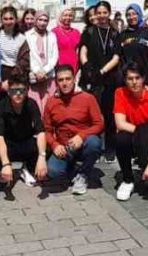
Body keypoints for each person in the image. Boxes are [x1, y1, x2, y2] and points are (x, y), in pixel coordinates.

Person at [42, 64, 103, 194]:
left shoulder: (87, 98)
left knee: (94, 143)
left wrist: (82, 135)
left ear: (74, 79)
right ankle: (72, 170)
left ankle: (83, 175)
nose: (65, 83)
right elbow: (46, 130)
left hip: (83, 143)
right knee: (53, 171)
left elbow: (99, 124)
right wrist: (54, 145)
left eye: (68, 79)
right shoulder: (51, 102)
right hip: (64, 147)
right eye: (61, 80)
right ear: (56, 82)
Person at [111, 64, 148, 201]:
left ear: (143, 79)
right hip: (134, 135)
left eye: (137, 78)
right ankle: (128, 180)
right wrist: (140, 132)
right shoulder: (120, 93)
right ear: (125, 80)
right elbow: (120, 123)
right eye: (130, 78)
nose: (134, 82)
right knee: (120, 138)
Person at [0, 75, 47, 194]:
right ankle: (5, 172)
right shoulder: (0, 106)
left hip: (26, 143)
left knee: (46, 147)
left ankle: (28, 169)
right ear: (9, 92)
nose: (18, 94)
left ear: (27, 91)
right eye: (14, 90)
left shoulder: (31, 104)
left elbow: (40, 131)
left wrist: (42, 157)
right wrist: (5, 163)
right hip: (8, 145)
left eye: (22, 90)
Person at [79, 1, 119, 158]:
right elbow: (83, 52)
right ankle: (92, 148)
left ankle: (110, 148)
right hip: (93, 79)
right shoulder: (89, 32)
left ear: (109, 13)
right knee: (92, 115)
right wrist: (88, 68)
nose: (101, 16)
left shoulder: (115, 33)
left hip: (109, 79)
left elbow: (116, 57)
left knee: (109, 115)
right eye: (99, 13)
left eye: (104, 12)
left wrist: (103, 70)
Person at [117, 4, 148, 92]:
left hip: (147, 83)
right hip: (128, 82)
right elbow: (120, 59)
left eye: (134, 14)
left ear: (139, 14)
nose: (131, 17)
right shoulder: (122, 35)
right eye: (128, 15)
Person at [23, 11, 58, 107]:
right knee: (35, 105)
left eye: (45, 20)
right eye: (40, 20)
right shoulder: (27, 36)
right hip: (34, 76)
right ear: (35, 20)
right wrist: (37, 71)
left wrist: (45, 71)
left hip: (49, 76)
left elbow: (54, 56)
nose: (42, 23)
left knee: (50, 104)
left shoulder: (52, 35)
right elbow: (27, 56)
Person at [0, 6, 27, 98]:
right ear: (1, 20)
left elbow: (24, 62)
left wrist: (10, 81)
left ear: (16, 20)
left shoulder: (22, 38)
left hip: (15, 75)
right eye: (5, 19)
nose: (8, 22)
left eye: (11, 18)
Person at [52, 8, 81, 76]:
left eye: (70, 15)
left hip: (74, 63)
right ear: (60, 16)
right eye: (65, 15)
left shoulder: (76, 32)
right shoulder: (54, 32)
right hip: (60, 63)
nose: (68, 17)